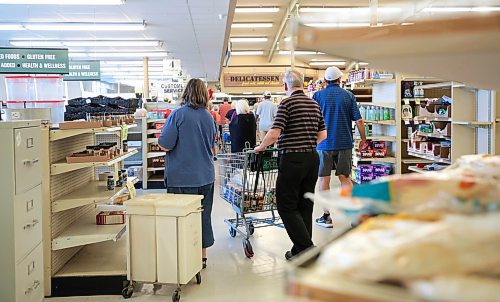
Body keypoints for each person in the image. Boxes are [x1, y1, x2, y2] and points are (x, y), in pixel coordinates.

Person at [255, 69, 327, 260]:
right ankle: (299, 250)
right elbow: (323, 135)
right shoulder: (314, 104)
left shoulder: (287, 103)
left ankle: (307, 247)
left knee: (285, 205)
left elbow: (274, 133)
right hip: (312, 158)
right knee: (305, 204)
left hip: (292, 159)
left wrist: (260, 147)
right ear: (302, 83)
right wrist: (306, 145)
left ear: (285, 86)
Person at [158, 78, 216, 269]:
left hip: (183, 177)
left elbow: (164, 144)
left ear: (186, 92)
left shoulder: (178, 115)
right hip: (206, 176)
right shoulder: (209, 117)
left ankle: (183, 258)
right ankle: (202, 256)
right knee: (203, 216)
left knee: (181, 218)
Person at [313, 66, 367, 228]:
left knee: (324, 179)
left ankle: (326, 217)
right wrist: (363, 139)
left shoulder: (317, 96)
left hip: (323, 144)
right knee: (345, 178)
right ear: (340, 80)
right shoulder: (348, 95)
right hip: (344, 143)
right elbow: (359, 120)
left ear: (326, 80)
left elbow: (313, 120)